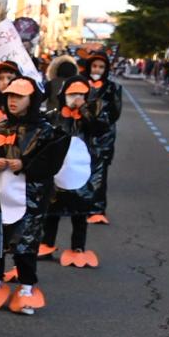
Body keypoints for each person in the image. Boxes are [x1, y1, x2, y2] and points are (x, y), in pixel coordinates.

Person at [0, 77, 69, 315]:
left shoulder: (45, 130)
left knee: (26, 241)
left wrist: (25, 164)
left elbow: (50, 162)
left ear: (31, 100)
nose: (13, 100)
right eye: (10, 96)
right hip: (0, 195)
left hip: (30, 198)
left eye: (19, 96)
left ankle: (26, 287)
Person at [43, 76, 108, 267]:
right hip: (58, 173)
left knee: (80, 212)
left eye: (81, 94)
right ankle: (47, 244)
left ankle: (78, 248)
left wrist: (84, 110)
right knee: (52, 211)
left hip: (81, 173)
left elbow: (99, 129)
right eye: (72, 94)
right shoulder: (54, 115)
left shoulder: (89, 116)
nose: (76, 98)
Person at [82, 49, 122, 224]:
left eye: (101, 66)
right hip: (81, 134)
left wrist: (97, 121)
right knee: (79, 171)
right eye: (94, 66)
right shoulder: (80, 84)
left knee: (99, 174)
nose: (97, 70)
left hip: (102, 137)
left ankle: (97, 209)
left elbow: (114, 113)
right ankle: (78, 206)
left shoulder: (113, 88)